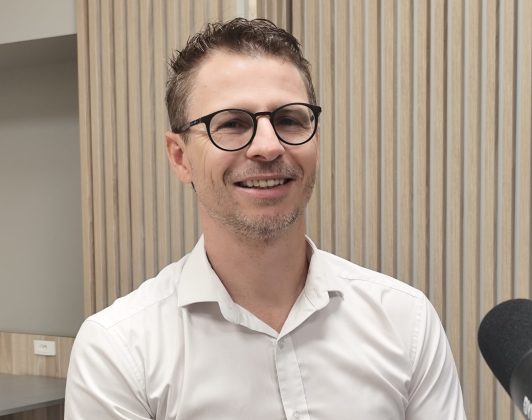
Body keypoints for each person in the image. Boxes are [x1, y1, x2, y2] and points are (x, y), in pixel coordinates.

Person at [65, 17, 467, 419]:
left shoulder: (405, 321)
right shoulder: (119, 351)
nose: (268, 146)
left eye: (289, 120)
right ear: (180, 157)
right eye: (232, 123)